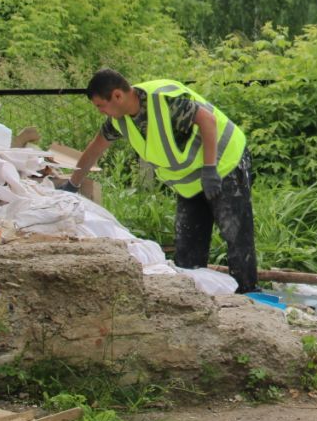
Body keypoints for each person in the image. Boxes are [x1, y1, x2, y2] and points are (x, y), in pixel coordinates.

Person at [61, 68, 259, 294]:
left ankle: (248, 296)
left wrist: (210, 167)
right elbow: (95, 148)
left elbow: (207, 120)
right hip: (191, 181)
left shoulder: (164, 102)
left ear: (117, 95)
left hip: (226, 162)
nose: (101, 111)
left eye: (100, 105)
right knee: (187, 244)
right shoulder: (119, 121)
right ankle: (194, 298)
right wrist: (73, 184)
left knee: (235, 234)